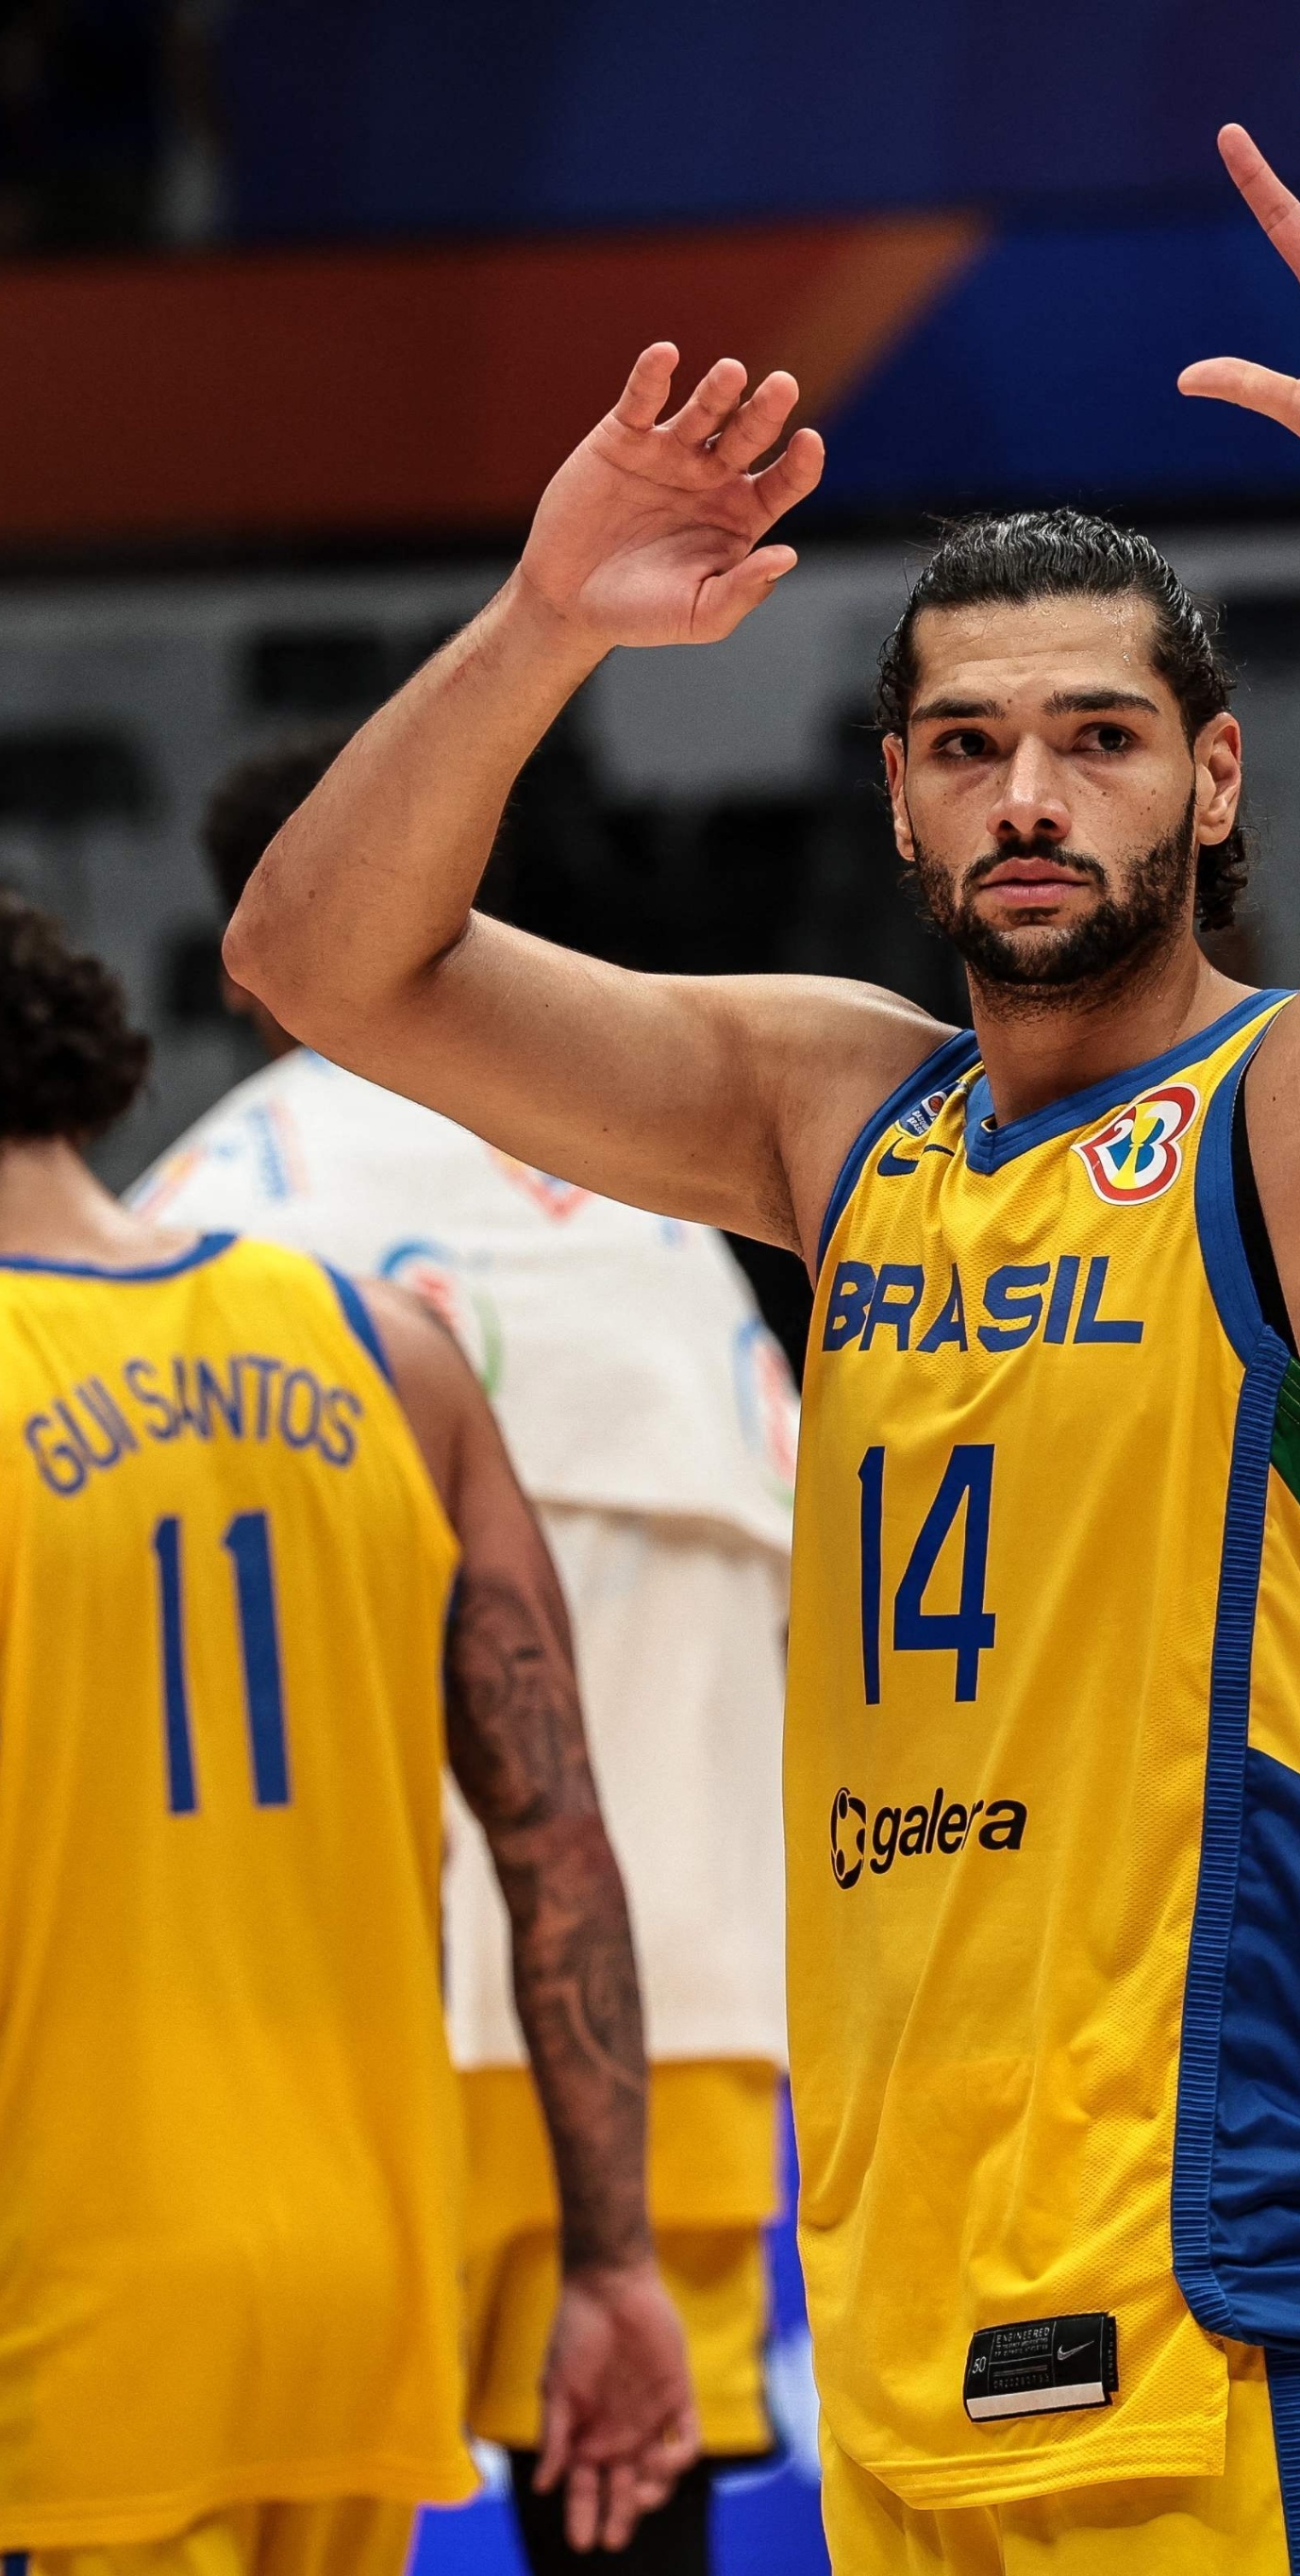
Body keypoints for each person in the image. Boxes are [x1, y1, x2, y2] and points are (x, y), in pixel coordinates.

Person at [222, 50, 1300, 2572]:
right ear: (896, 795)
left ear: (1216, 781)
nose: (1034, 799)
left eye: (1101, 741)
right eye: (975, 747)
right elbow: (316, 959)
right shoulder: (834, 1120)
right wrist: (546, 614)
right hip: (900, 2353)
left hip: (1248, 2330)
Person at [136, 737, 797, 2576]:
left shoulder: (194, 1210)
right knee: (624, 2498)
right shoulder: (658, 1188)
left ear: (233, 951)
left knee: (272, 2517)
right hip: (678, 1995)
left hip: (337, 2008)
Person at [0, 892, 696, 2573]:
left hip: (56, 2321)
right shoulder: (394, 1358)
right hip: (350, 2303)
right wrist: (611, 2263)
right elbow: (562, 1852)